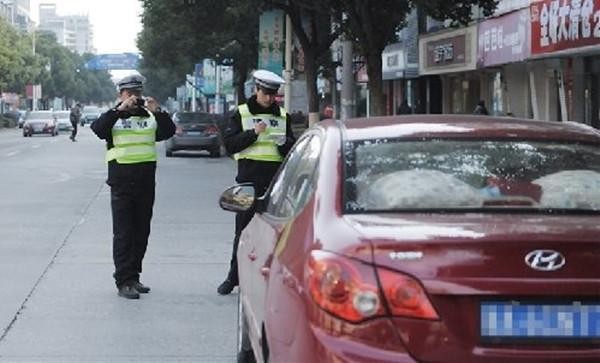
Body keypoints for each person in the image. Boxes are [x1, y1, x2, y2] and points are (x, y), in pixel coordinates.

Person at [91, 74, 176, 299]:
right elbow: (98, 129)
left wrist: (159, 111)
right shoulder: (113, 117)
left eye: (137, 93)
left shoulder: (149, 116)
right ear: (120, 94)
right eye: (129, 93)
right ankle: (123, 280)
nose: (134, 98)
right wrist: (119, 110)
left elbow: (168, 132)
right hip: (121, 184)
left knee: (141, 232)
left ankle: (134, 276)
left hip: (145, 182)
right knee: (124, 233)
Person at [217, 69, 297, 295]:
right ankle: (233, 278)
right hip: (247, 183)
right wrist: (253, 133)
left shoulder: (283, 116)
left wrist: (285, 143)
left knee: (275, 235)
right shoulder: (241, 113)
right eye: (266, 94)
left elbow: (292, 150)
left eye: (273, 94)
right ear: (256, 90)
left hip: (275, 185)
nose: (270, 98)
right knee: (243, 233)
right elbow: (230, 145)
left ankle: (270, 278)